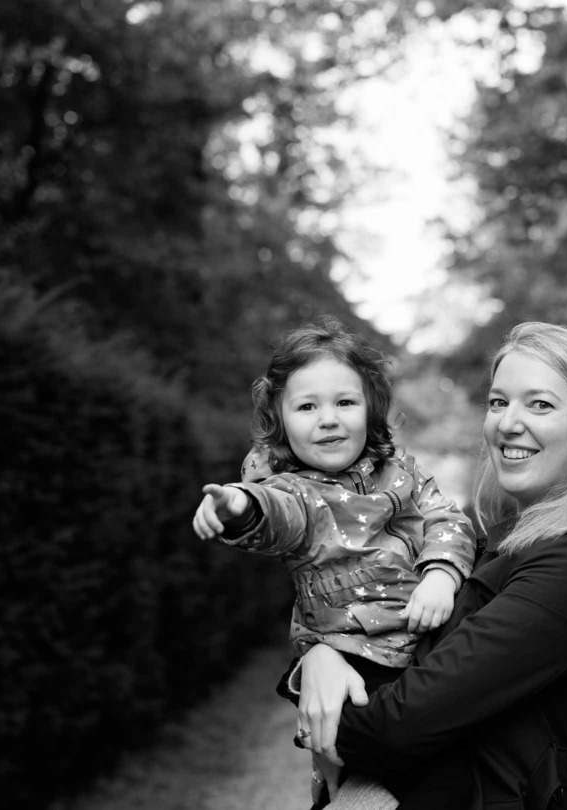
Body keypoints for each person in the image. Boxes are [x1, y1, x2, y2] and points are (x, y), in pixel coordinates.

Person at [290, 321, 567, 810]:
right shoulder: (493, 543)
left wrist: (320, 706)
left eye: (540, 404)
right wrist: (317, 656)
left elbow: (397, 726)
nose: (507, 422)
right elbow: (384, 636)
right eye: (499, 401)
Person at [191, 316, 478, 807]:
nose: (328, 418)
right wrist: (239, 505)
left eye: (345, 402)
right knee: (353, 779)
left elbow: (447, 520)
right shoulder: (294, 489)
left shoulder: (403, 473)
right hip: (349, 660)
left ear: (371, 409)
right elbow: (277, 515)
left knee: (436, 773)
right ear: (280, 420)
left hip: (424, 645)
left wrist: (441, 574)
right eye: (307, 407)